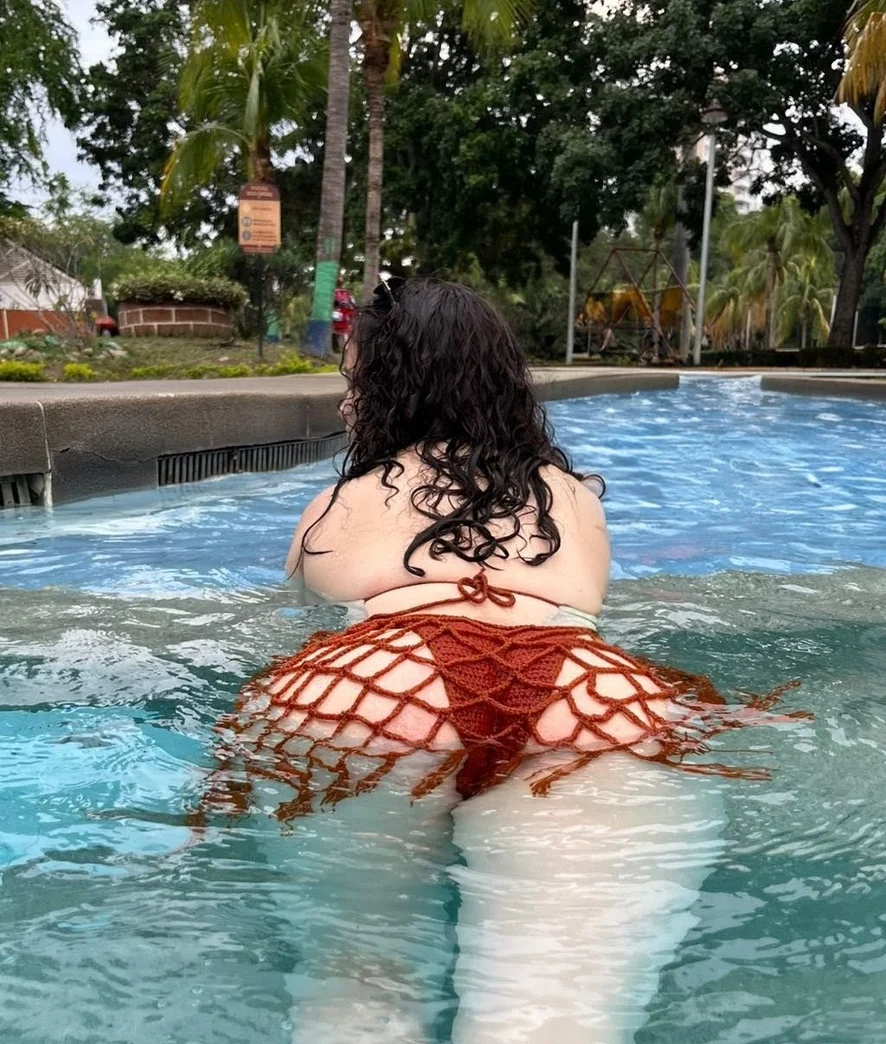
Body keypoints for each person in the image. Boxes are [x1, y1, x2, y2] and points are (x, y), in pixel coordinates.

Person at [196, 278, 806, 1042]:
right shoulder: (573, 499)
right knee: (551, 1014)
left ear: (390, 392)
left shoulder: (333, 506)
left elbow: (294, 624)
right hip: (586, 702)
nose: (346, 404)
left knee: (357, 987)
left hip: (376, 691)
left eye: (356, 383)